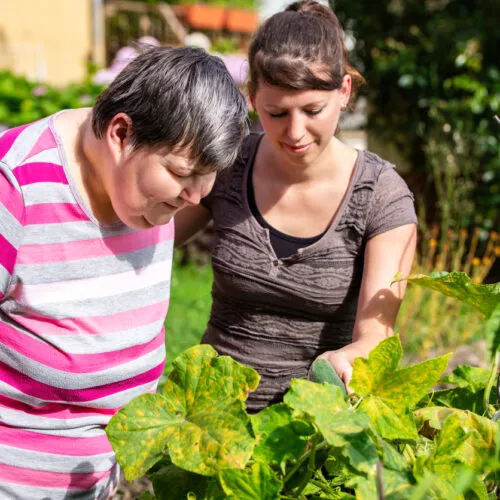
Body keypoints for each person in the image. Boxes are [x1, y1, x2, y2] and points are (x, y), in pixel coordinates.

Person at [0, 46, 248, 499]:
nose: (194, 198)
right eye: (181, 173)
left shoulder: (147, 198)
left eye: (208, 176)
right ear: (120, 133)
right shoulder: (14, 187)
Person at [175, 0, 418, 412]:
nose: (294, 132)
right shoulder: (230, 166)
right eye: (276, 112)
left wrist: (348, 358)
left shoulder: (381, 195)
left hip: (313, 435)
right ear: (252, 98)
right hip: (211, 422)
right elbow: (148, 239)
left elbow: (377, 336)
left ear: (343, 92)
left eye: (312, 110)